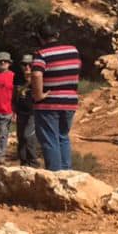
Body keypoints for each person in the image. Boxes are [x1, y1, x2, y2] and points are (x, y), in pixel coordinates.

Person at [30, 21, 80, 171]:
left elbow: (36, 74)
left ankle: (55, 174)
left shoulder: (41, 54)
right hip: (70, 101)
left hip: (49, 103)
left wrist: (38, 95)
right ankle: (67, 173)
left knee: (50, 139)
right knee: (63, 137)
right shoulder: (73, 50)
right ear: (57, 35)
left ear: (40, 37)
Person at [13, 54, 41, 166]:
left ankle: (33, 163)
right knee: (21, 138)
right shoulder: (18, 78)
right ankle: (23, 163)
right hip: (20, 112)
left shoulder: (38, 77)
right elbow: (15, 95)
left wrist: (31, 80)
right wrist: (13, 109)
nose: (27, 67)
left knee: (28, 136)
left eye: (30, 64)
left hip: (33, 112)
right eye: (24, 64)